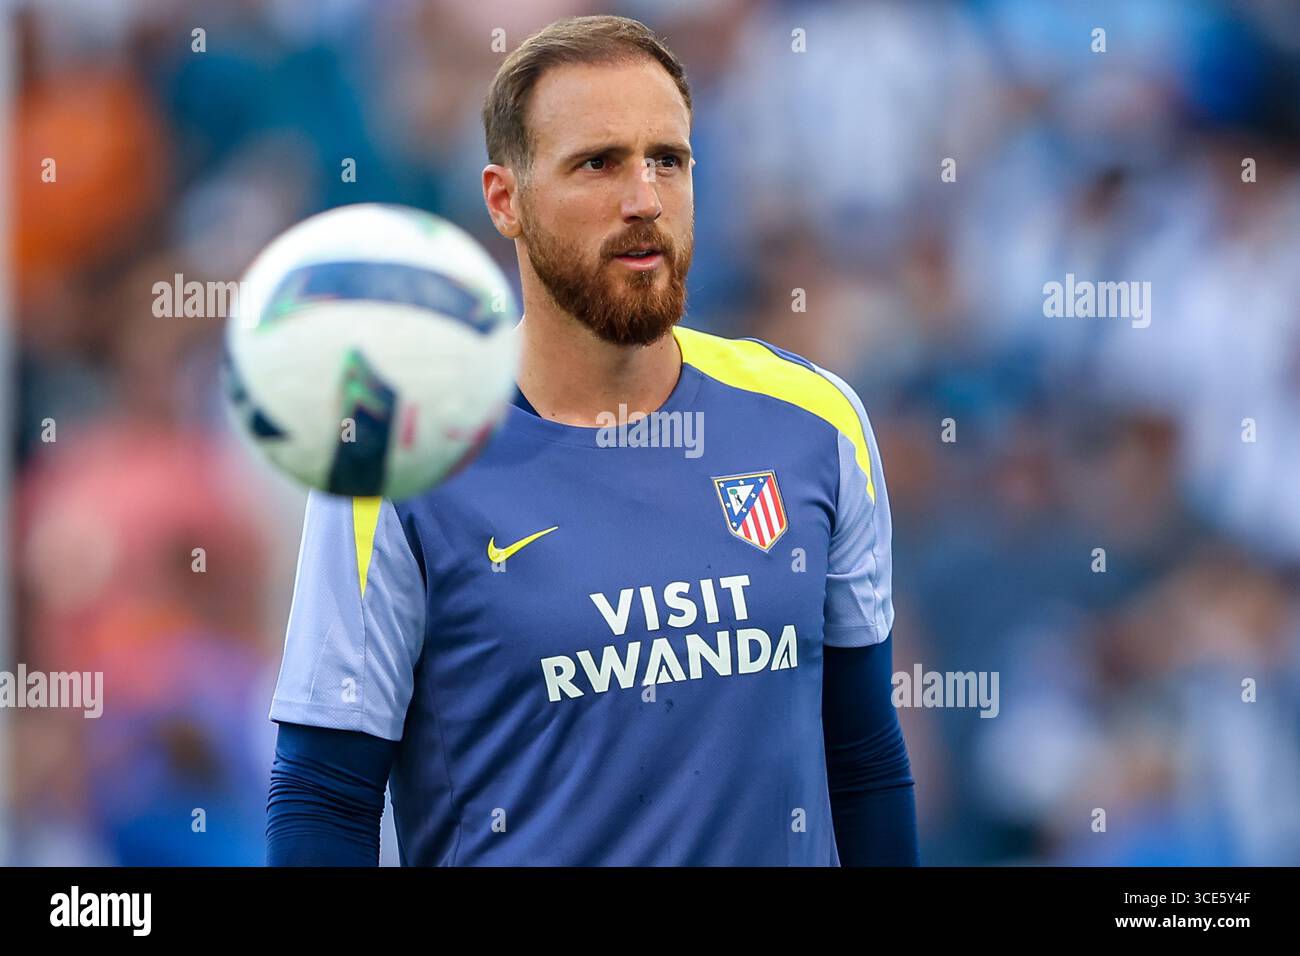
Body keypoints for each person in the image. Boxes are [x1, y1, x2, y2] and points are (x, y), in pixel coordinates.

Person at [266, 14, 918, 866]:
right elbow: (323, 797)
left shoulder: (816, 421)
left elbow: (864, 761)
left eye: (668, 161)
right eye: (598, 163)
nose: (644, 198)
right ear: (506, 200)